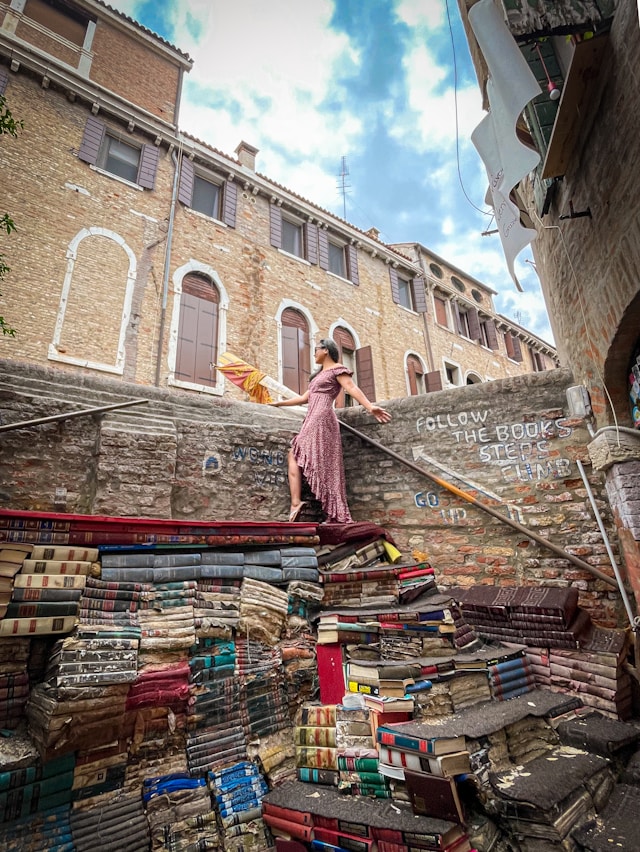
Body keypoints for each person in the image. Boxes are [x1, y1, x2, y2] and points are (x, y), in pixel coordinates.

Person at [270, 338, 391, 524]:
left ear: (326, 350)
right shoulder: (318, 375)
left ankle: (305, 505)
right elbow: (304, 398)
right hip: (312, 417)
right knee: (298, 456)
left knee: (298, 452)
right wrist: (277, 403)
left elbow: (351, 387)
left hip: (322, 417)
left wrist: (369, 407)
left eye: (316, 349)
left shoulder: (337, 369)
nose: (314, 353)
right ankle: (302, 504)